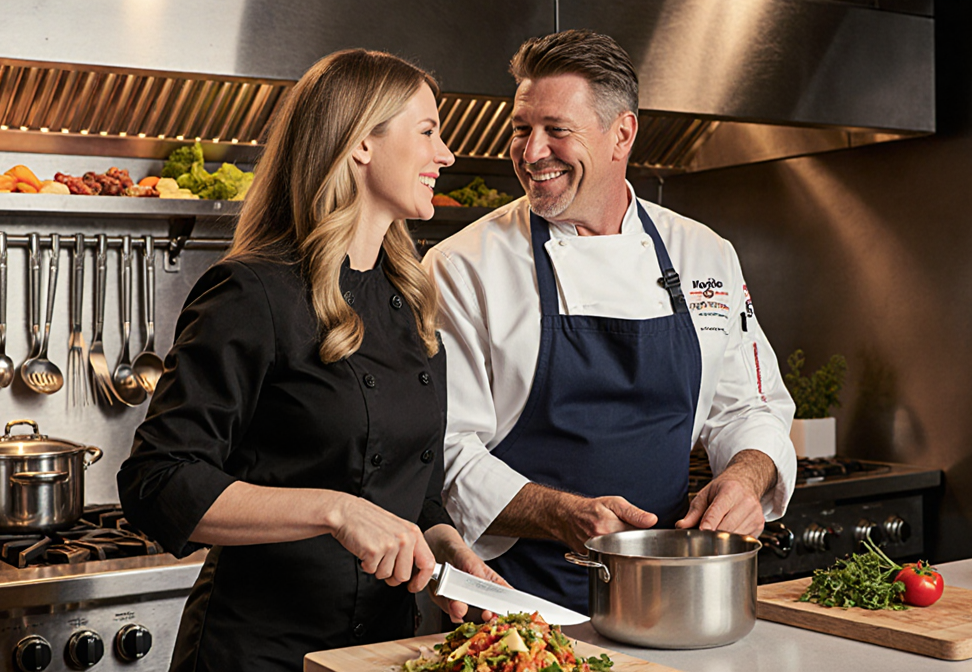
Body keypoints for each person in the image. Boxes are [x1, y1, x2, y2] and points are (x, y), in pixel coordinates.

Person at [118, 49, 502, 672]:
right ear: (360, 146)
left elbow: (413, 488)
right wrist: (334, 511)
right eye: (428, 132)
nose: (447, 155)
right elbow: (158, 481)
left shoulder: (409, 298)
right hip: (257, 652)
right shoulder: (253, 291)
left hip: (380, 653)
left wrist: (445, 547)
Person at [422, 30, 798, 613]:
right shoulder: (463, 265)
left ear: (622, 132)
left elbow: (751, 404)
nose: (531, 151)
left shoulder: (704, 254)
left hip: (672, 597)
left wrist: (747, 477)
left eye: (557, 130)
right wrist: (559, 513)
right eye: (522, 129)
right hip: (519, 603)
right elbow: (441, 446)